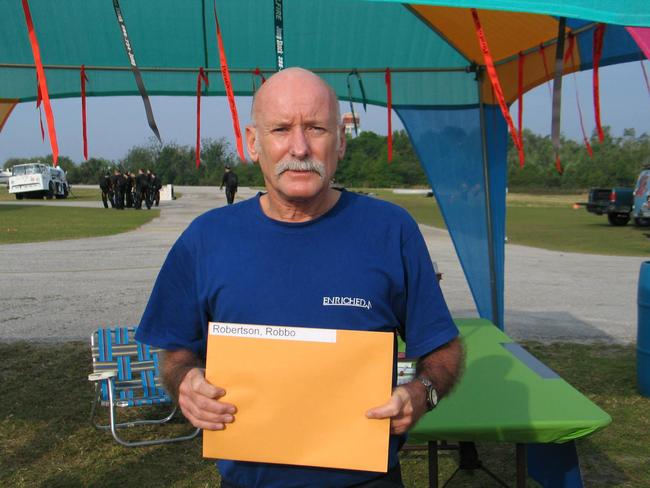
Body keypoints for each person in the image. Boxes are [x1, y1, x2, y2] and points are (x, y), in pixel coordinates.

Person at [136, 68, 462, 488]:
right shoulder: (206, 239)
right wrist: (185, 384)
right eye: (281, 129)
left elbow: (443, 350)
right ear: (253, 142)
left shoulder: (390, 230)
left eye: (316, 128)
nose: (300, 146)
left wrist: (422, 394)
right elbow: (177, 353)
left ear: (340, 142)